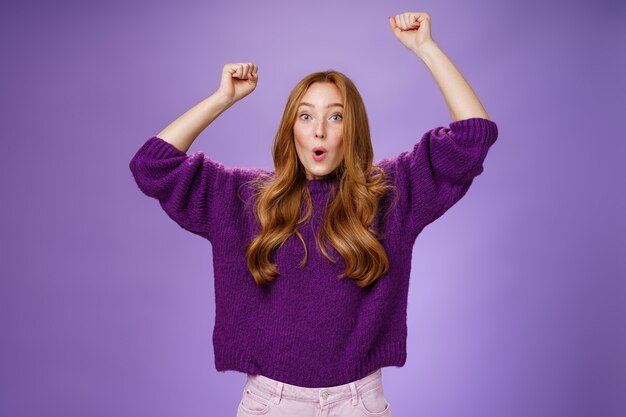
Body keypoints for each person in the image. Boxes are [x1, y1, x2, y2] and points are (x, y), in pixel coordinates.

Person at [129, 11, 498, 417]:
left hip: (358, 404)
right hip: (271, 405)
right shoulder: (244, 197)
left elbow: (472, 137)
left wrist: (426, 48)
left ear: (351, 130)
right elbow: (152, 165)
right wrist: (223, 98)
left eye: (335, 116)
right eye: (306, 116)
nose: (319, 130)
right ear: (292, 129)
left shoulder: (391, 193)